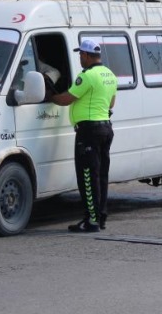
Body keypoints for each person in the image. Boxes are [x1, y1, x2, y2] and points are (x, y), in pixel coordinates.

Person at [50, 39, 118, 232]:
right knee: (101, 175)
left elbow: (66, 99)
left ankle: (91, 221)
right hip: (106, 128)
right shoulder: (110, 75)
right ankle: (101, 217)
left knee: (88, 177)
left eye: (81, 54)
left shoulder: (86, 76)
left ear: (87, 56)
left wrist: (49, 96)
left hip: (89, 131)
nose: (80, 58)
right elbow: (111, 104)